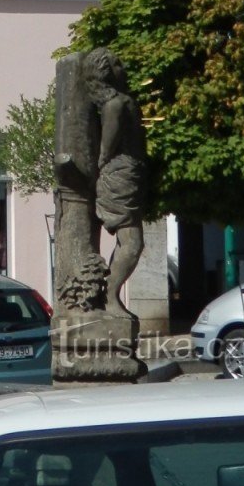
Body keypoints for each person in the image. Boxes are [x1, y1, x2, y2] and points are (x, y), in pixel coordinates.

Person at [84, 47, 146, 315]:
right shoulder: (115, 105)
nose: (124, 67)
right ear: (107, 72)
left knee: (129, 242)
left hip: (128, 172)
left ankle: (110, 296)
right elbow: (107, 147)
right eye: (117, 63)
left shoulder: (120, 101)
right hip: (119, 173)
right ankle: (110, 296)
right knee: (133, 243)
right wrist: (103, 164)